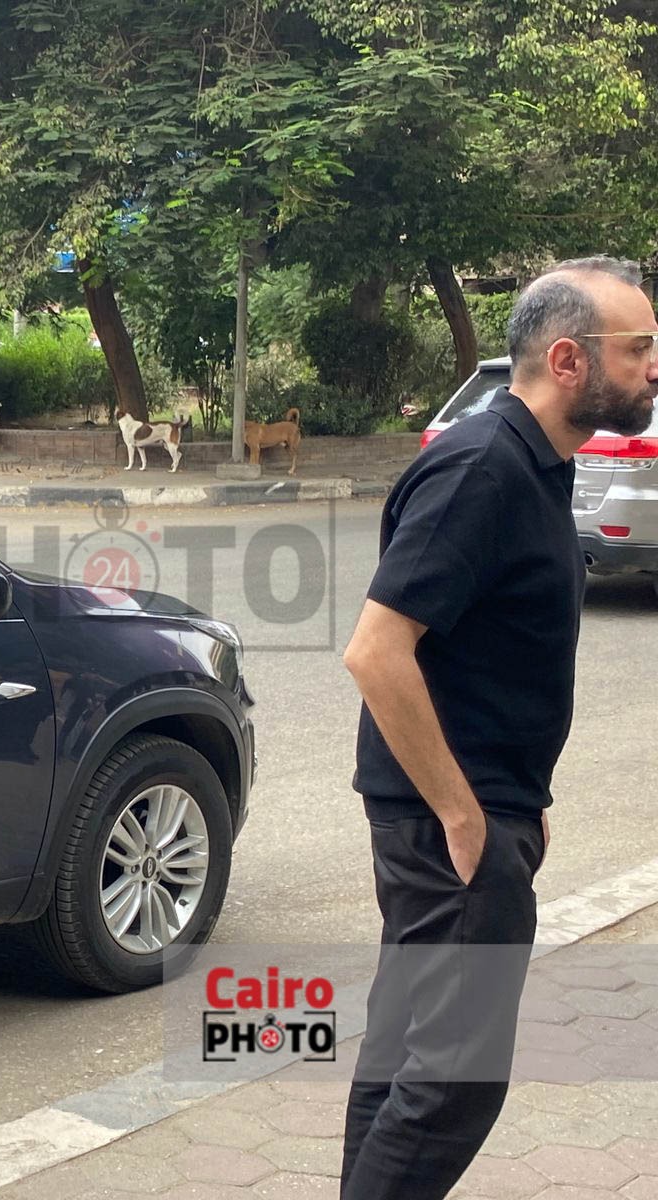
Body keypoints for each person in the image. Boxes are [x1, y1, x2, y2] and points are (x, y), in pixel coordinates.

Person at [338, 256, 658, 1199]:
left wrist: (520, 795)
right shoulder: (484, 465)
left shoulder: (534, 462)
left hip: (476, 807)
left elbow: (487, 653)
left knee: (407, 1055)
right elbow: (376, 651)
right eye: (637, 348)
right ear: (567, 360)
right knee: (453, 1083)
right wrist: (465, 812)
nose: (654, 367)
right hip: (449, 829)